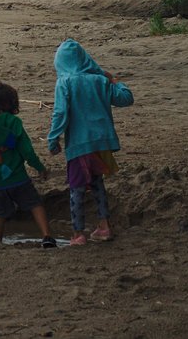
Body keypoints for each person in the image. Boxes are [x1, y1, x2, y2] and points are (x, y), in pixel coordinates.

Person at [47, 38, 134, 246]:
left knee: (76, 188)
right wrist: (113, 80)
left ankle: (78, 234)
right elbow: (126, 98)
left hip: (79, 145)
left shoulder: (65, 82)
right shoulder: (100, 81)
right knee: (97, 184)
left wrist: (53, 139)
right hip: (101, 143)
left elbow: (60, 113)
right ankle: (104, 226)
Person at [0, 82, 56, 248]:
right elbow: (27, 151)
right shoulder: (15, 123)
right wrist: (40, 168)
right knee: (35, 204)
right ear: (12, 103)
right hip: (19, 178)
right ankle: (47, 236)